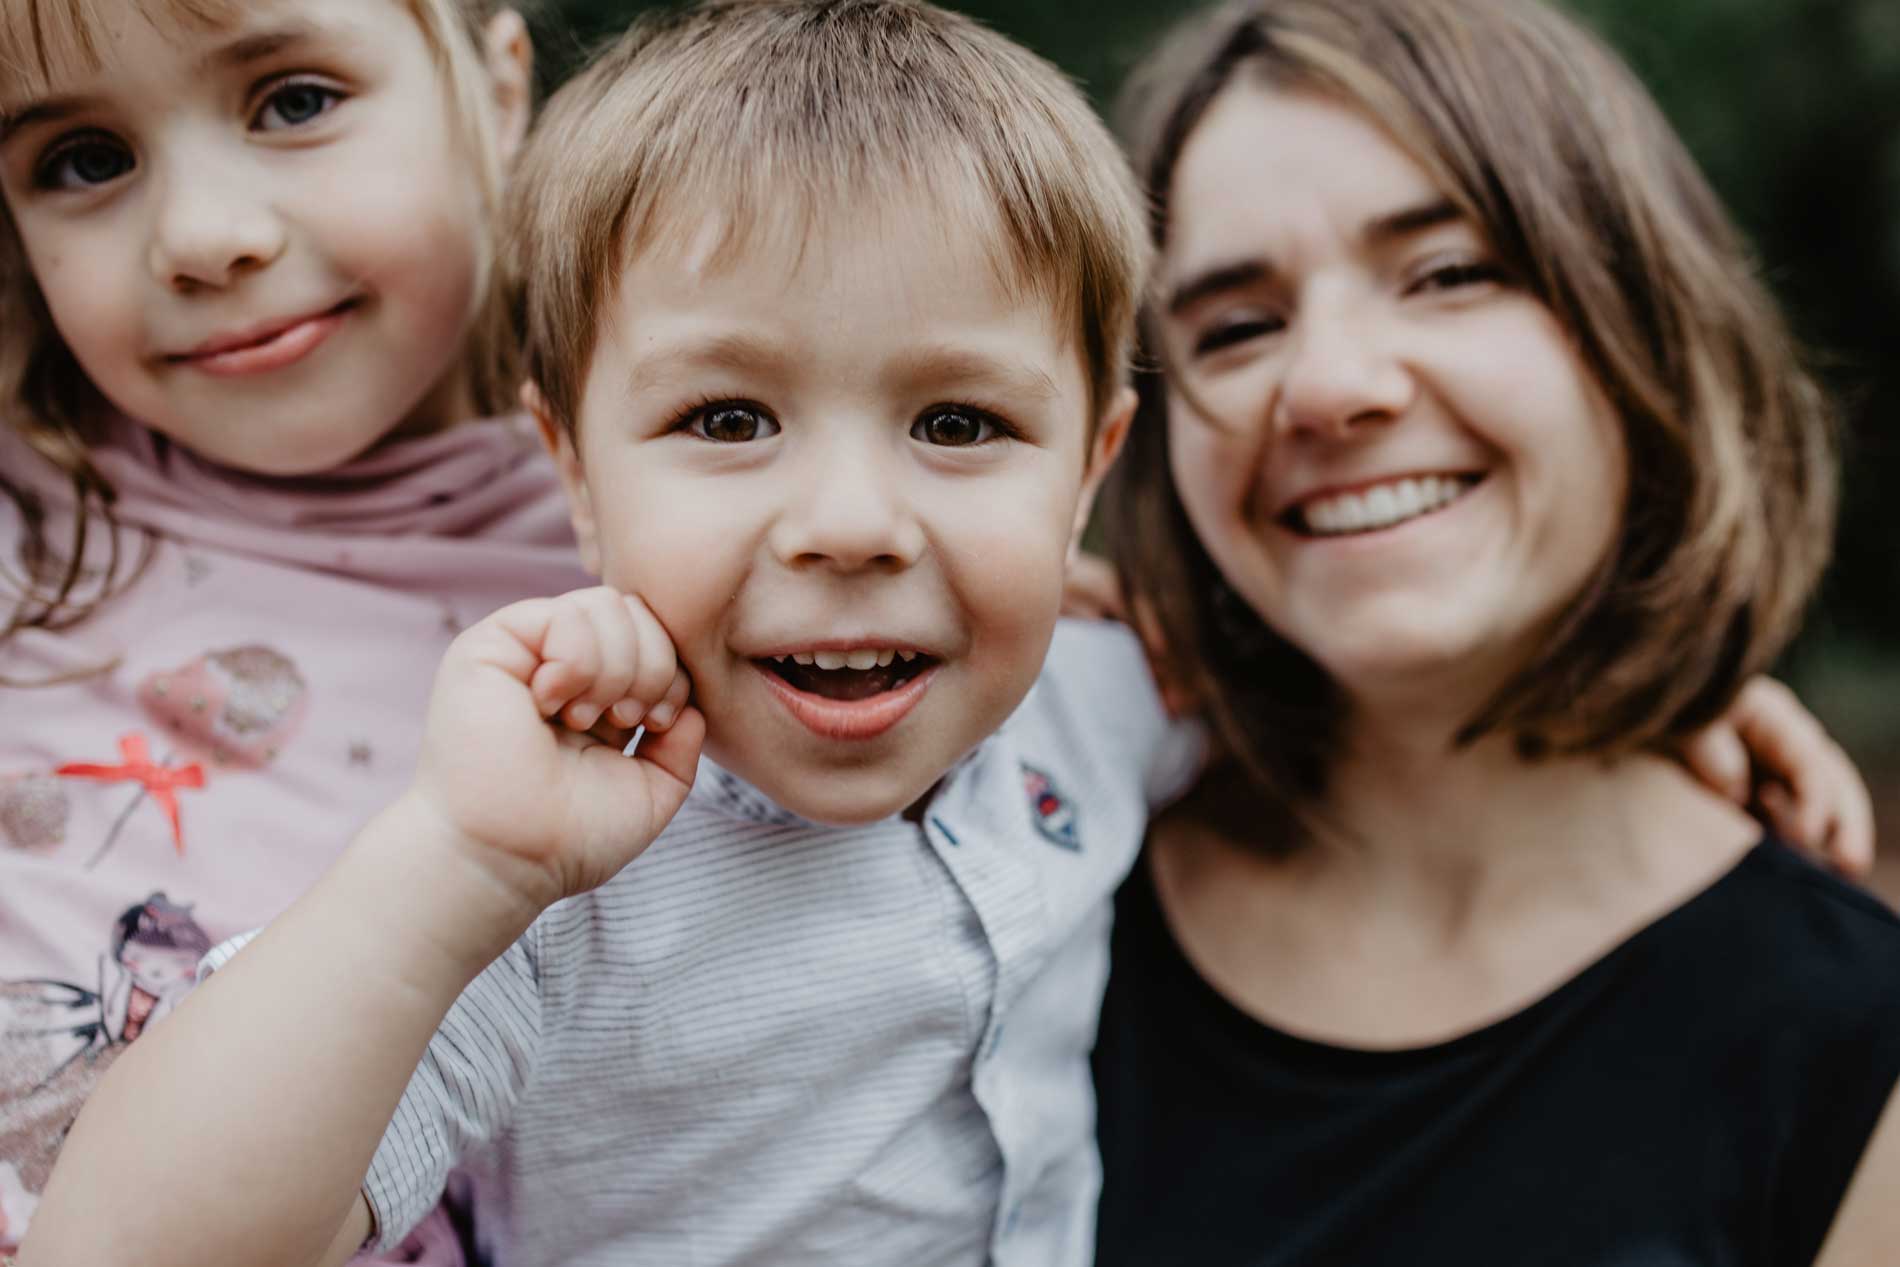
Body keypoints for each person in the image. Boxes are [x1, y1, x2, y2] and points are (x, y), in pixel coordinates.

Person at [15, 3, 1184, 1264]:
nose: (851, 527)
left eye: (958, 425)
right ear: (570, 472)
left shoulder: (1110, 695)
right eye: (729, 420)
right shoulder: (544, 869)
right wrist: (459, 863)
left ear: (1085, 476)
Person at [1089, 0, 1900, 1262]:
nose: (1332, 387)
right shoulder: (1014, 894)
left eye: (1451, 273)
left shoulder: (1857, 1050)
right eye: (1235, 326)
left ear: (1642, 324)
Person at [0, 0, 573, 1259]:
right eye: (83, 160)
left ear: (499, 87)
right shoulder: (26, 534)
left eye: (295, 101)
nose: (205, 239)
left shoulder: (657, 581)